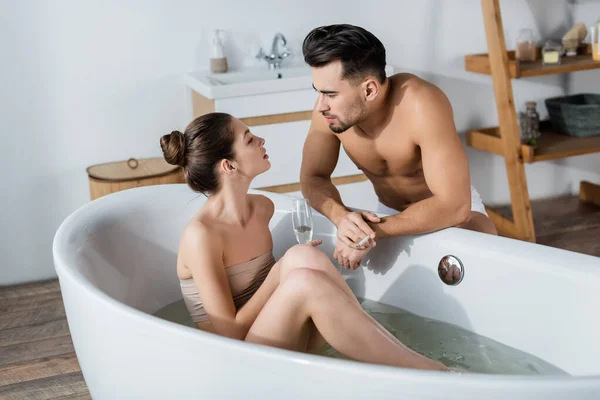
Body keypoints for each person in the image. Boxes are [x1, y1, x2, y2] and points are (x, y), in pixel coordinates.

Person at [160, 112, 448, 371]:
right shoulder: (202, 236)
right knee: (301, 278)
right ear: (229, 166)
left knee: (304, 258)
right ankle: (430, 373)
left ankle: (407, 360)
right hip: (233, 364)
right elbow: (230, 334)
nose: (261, 140)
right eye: (249, 139)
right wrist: (279, 272)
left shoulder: (262, 208)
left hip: (277, 340)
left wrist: (351, 231)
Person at [299, 24, 498, 270]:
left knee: (483, 254)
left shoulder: (421, 104)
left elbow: (455, 205)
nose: (320, 106)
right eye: (318, 92)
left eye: (330, 94)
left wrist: (369, 232)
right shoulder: (329, 114)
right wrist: (345, 221)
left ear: (369, 89)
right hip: (388, 214)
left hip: (449, 212)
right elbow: (313, 177)